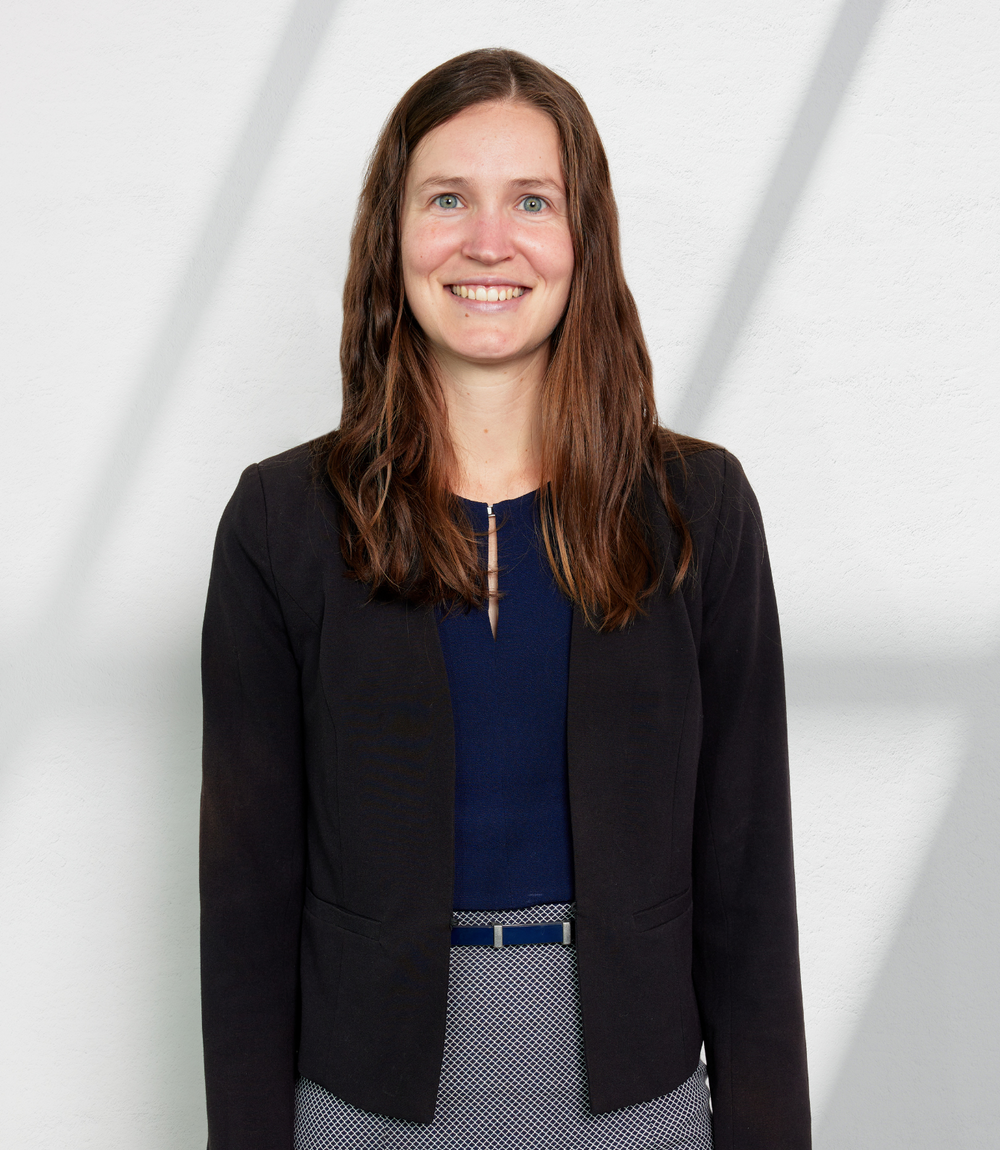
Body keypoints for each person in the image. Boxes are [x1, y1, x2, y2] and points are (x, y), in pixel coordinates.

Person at [200, 48, 811, 1150]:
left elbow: (747, 869)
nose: (489, 242)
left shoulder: (696, 509)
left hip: (634, 1101)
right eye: (448, 199)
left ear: (585, 239)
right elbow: (245, 901)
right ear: (394, 234)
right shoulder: (281, 522)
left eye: (532, 200)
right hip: (364, 1102)